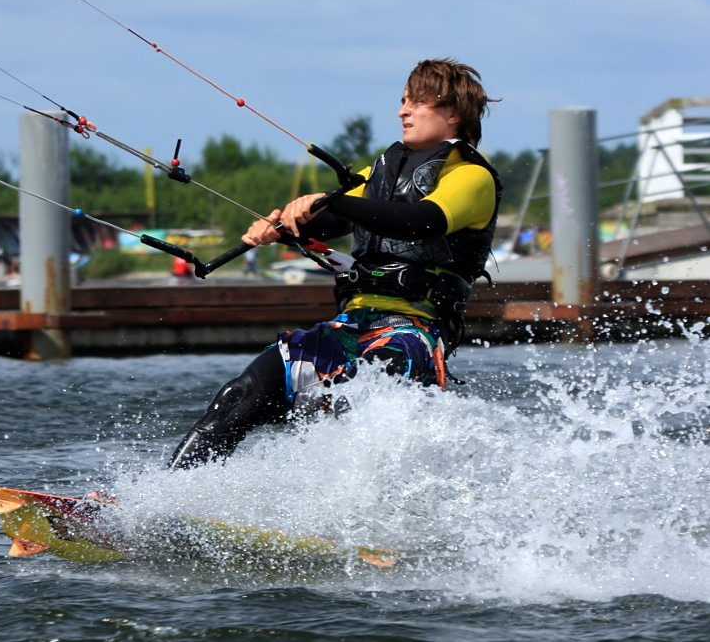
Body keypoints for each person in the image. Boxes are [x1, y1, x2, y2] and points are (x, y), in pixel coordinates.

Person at [168, 58, 502, 470]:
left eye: (417, 103)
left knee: (352, 409)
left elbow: (421, 222)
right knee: (240, 394)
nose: (403, 111)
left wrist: (332, 199)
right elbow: (331, 221)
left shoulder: (472, 177)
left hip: (412, 336)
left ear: (453, 114)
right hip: (351, 328)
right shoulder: (380, 172)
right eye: (403, 101)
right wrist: (283, 227)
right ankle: (160, 501)